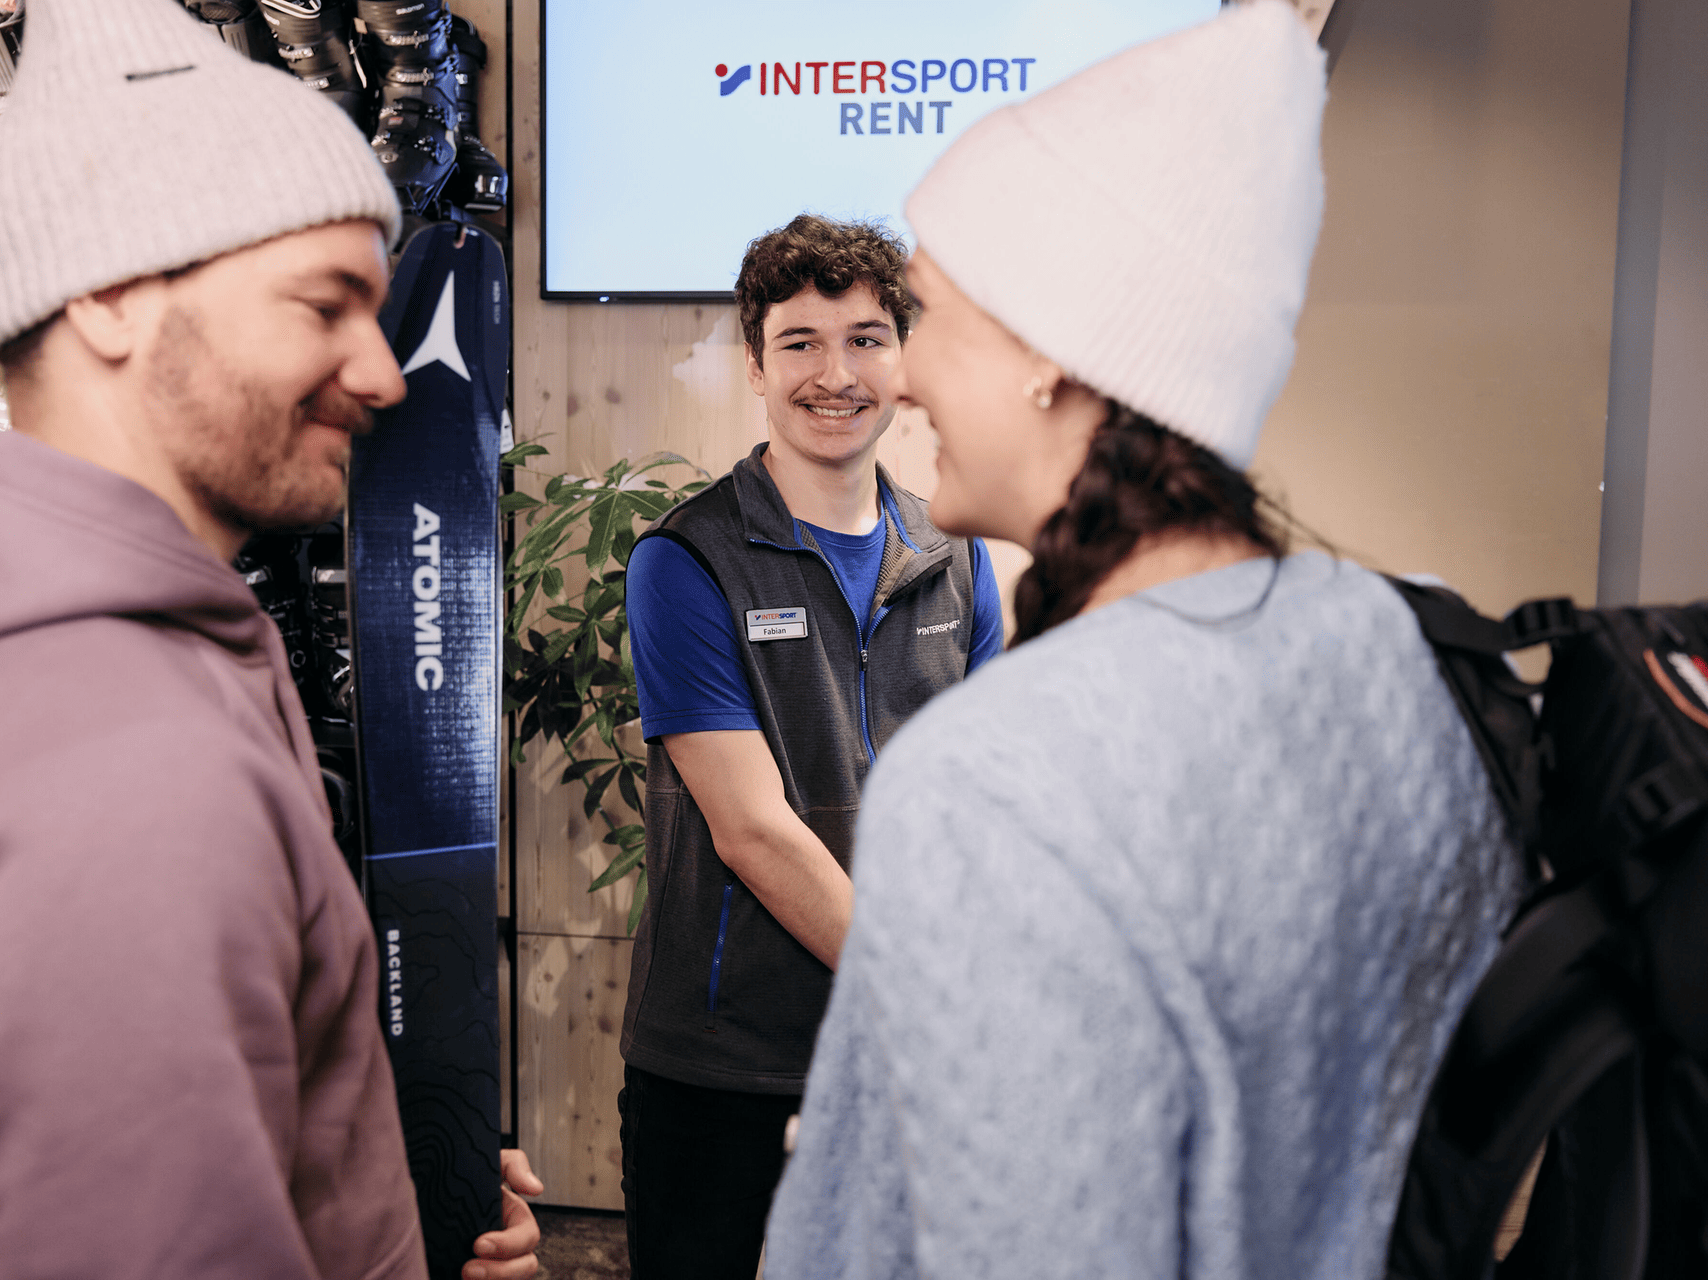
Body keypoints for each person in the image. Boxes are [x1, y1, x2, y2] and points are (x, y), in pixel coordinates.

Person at [763, 5, 1524, 1277]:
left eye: (926, 315)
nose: (897, 377)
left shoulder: (1001, 777)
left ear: (1052, 353)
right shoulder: (1408, 651)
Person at [0, 2, 541, 1277]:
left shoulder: (84, 670)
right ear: (111, 301)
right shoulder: (107, 760)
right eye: (324, 305)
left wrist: (368, 1185)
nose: (381, 373)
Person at [617, 214, 1003, 1276]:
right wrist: (928, 991)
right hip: (722, 1067)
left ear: (902, 360)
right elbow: (752, 829)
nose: (835, 374)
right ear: (755, 365)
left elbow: (986, 806)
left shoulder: (957, 555)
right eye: (800, 343)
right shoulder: (686, 560)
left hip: (895, 1064)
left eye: (866, 339)